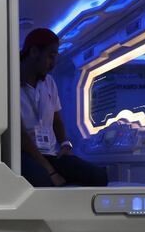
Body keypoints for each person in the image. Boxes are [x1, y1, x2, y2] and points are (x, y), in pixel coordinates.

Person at [19, 28, 108, 187]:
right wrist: (51, 172)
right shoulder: (10, 83)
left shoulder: (49, 82)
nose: (53, 64)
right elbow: (21, 136)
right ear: (33, 52)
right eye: (50, 57)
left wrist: (65, 144)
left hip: (51, 153)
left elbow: (56, 120)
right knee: (43, 181)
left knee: (99, 176)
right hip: (26, 154)